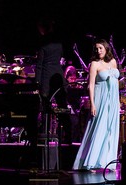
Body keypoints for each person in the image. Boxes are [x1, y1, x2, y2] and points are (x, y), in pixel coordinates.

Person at [73, 39, 120, 171]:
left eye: (100, 48)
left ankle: (107, 161)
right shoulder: (94, 64)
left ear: (106, 48)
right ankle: (90, 161)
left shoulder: (113, 62)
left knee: (110, 130)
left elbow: (115, 83)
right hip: (100, 99)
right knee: (97, 128)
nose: (98, 51)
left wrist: (117, 102)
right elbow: (91, 85)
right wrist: (92, 104)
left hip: (112, 101)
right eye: (96, 48)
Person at [35, 16, 72, 145]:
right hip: (59, 76)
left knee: (45, 108)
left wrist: (37, 82)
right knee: (62, 107)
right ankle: (68, 135)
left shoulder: (43, 42)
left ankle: (42, 135)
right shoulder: (58, 42)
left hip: (46, 78)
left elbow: (40, 64)